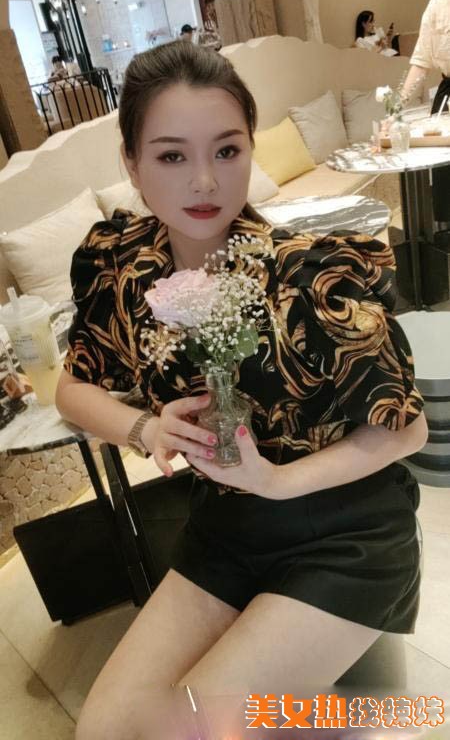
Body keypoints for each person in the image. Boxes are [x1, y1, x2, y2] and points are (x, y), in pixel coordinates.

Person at [56, 40, 427, 739]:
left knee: (186, 728)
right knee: (102, 729)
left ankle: (366, 715)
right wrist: (145, 428)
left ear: (250, 148)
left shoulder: (306, 277)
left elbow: (408, 430)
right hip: (226, 531)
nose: (205, 181)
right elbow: (72, 389)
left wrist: (277, 482)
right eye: (172, 156)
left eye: (227, 151)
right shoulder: (125, 267)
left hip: (344, 531)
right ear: (131, 163)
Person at [402, 0, 450, 229]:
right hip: (448, 94)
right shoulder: (439, 1)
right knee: (446, 179)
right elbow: (421, 61)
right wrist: (397, 105)